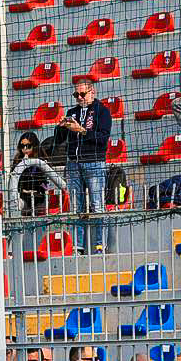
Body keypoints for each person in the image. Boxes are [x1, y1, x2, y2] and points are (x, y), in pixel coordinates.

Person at [60, 75, 113, 253]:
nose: (80, 98)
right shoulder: (72, 112)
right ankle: (77, 246)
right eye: (76, 95)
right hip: (73, 164)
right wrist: (61, 127)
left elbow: (103, 138)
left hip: (94, 162)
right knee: (76, 206)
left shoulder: (102, 111)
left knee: (97, 205)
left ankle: (100, 245)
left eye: (83, 94)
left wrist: (82, 130)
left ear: (92, 92)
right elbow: (60, 140)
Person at [12, 133, 49, 215]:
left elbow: (46, 183)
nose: (25, 149)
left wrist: (38, 189)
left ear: (34, 146)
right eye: (22, 146)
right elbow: (15, 180)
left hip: (40, 197)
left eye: (28, 146)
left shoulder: (42, 160)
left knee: (40, 218)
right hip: (24, 197)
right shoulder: (18, 160)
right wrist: (23, 190)